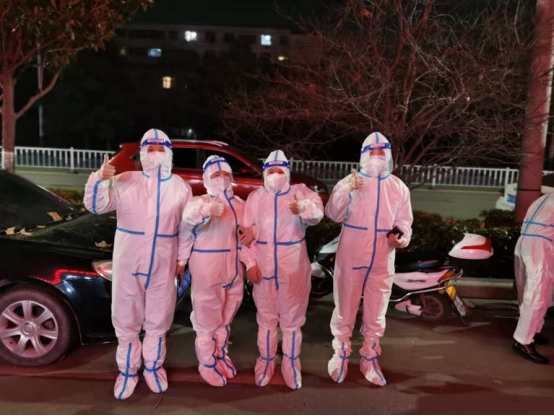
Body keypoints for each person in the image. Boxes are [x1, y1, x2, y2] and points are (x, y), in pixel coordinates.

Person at [84, 129, 194, 400]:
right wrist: (99, 180)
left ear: (169, 153)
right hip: (129, 261)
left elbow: (186, 228)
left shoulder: (180, 187)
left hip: (163, 263)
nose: (155, 154)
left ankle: (154, 367)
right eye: (149, 149)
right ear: (142, 153)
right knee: (126, 316)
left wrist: (182, 260)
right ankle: (128, 371)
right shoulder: (125, 180)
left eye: (160, 149)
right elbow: (96, 206)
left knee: (159, 317)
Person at [326, 132, 413, 386]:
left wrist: (401, 237)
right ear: (363, 155)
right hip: (352, 252)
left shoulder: (398, 187)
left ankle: (369, 357)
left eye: (380, 153)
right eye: (372, 153)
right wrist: (345, 190)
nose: (376, 158)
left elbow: (404, 221)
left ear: (388, 156)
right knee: (345, 305)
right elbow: (333, 213)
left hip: (382, 254)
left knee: (377, 309)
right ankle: (340, 355)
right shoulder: (350, 181)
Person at [242, 150, 324, 390]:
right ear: (264, 173)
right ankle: (266, 362)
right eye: (271, 170)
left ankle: (291, 363)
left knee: (292, 320)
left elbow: (317, 214)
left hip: (293, 267)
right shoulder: (255, 198)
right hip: (264, 267)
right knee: (266, 318)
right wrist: (250, 263)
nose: (276, 175)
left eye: (280, 170)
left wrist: (304, 208)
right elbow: (244, 234)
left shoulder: (300, 192)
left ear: (287, 172)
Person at [182, 155, 256, 386]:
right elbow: (188, 221)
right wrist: (206, 210)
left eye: (225, 174)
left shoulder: (240, 205)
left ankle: (220, 355)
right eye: (216, 174)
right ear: (206, 178)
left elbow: (245, 239)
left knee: (226, 316)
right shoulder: (199, 201)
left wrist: (251, 263)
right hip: (208, 270)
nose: (222, 178)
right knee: (206, 318)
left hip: (233, 271)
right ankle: (206, 363)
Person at [512, 193, 554, 364]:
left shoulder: (545, 198)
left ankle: (531, 332)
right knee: (537, 295)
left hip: (526, 243)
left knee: (533, 293)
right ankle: (523, 341)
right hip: (540, 247)